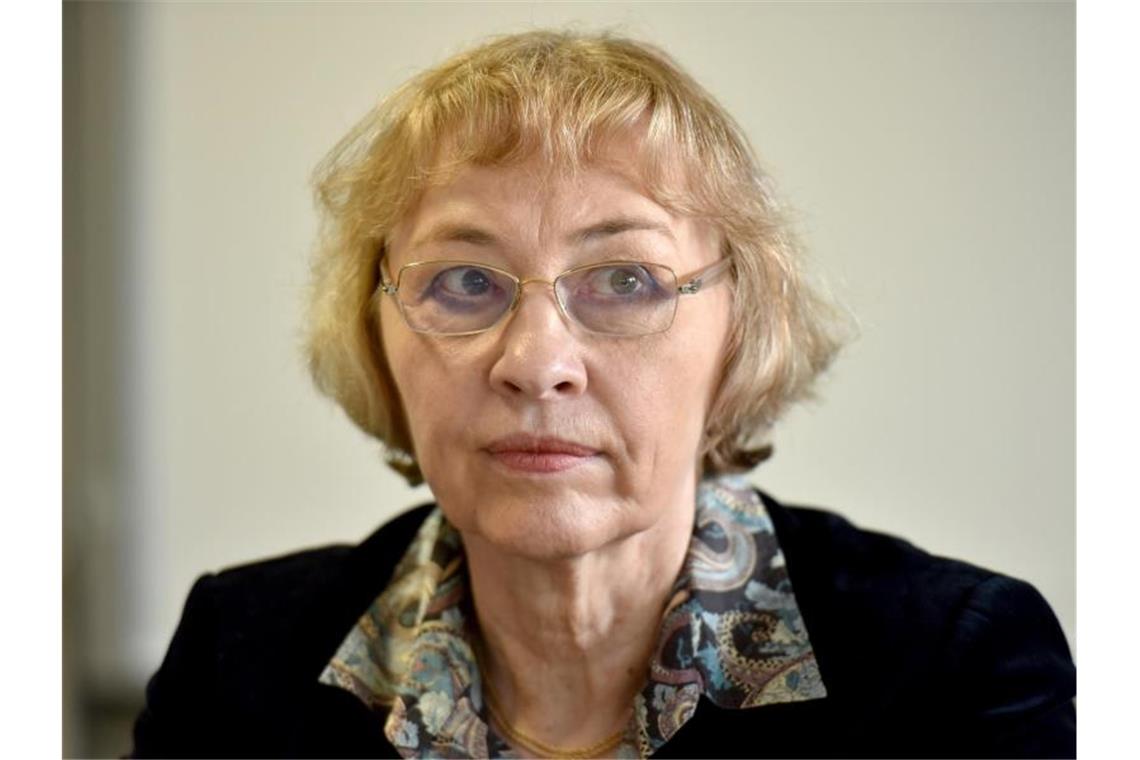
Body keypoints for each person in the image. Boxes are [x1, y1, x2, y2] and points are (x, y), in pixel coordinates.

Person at [131, 30, 1075, 759]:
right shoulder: (241, 659)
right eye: (463, 282)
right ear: (375, 330)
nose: (538, 363)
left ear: (739, 330)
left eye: (625, 280)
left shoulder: (952, 664)